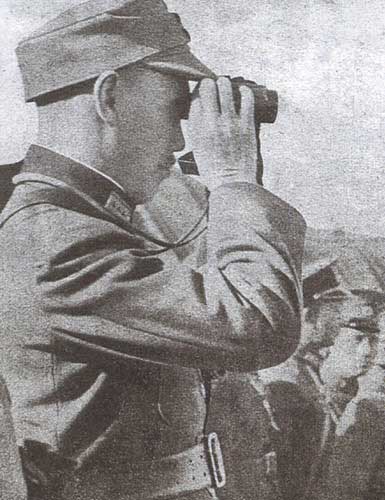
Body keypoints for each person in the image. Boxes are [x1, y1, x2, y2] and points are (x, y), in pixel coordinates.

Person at [0, 1, 306, 499]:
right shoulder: (54, 242)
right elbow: (257, 325)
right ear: (109, 97)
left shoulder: (93, 220)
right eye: (173, 106)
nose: (181, 135)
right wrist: (232, 180)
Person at [260, 261, 379, 500]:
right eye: (333, 310)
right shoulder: (286, 381)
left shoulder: (308, 373)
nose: (338, 319)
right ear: (306, 314)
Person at [312, 310, 385, 500]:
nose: (368, 351)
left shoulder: (366, 398)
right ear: (332, 341)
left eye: (374, 340)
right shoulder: (300, 388)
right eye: (357, 339)